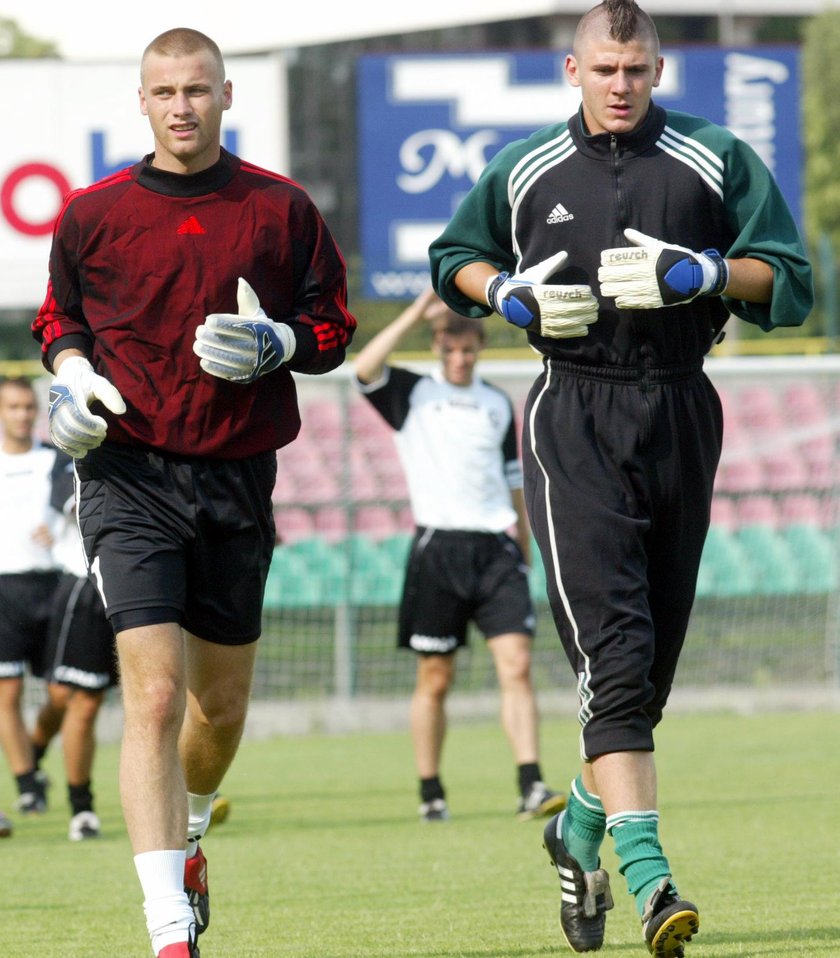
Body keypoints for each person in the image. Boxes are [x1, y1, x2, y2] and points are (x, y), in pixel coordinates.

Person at [429, 1, 813, 954]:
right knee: (617, 654)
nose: (620, 85)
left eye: (635, 71)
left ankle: (578, 828)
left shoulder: (715, 157)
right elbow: (454, 259)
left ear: (658, 68)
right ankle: (651, 883)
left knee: (644, 686)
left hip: (683, 410)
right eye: (604, 70)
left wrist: (704, 275)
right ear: (572, 69)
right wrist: (508, 291)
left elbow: (795, 279)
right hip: (573, 413)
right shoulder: (525, 168)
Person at [32, 27, 355, 958]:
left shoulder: (281, 209)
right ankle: (168, 926)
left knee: (218, 715)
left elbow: (332, 321)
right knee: (158, 697)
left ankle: (194, 833)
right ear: (142, 101)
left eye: (199, 89)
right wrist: (73, 383)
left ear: (224, 97)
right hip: (126, 475)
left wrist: (282, 345)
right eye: (165, 91)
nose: (183, 105)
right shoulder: (92, 212)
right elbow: (62, 320)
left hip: (238, 477)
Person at [354, 288, 567, 824]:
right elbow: (364, 367)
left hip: (496, 549)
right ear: (436, 347)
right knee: (435, 678)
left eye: (468, 349)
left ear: (478, 348)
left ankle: (531, 784)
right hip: (438, 548)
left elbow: (514, 478)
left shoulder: (496, 402)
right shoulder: (412, 394)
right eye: (450, 348)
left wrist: (523, 541)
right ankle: (431, 790)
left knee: (516, 666)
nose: (460, 358)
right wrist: (412, 313)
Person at [28, 449, 119, 842]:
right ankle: (32, 754)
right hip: (83, 589)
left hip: (139, 586)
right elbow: (69, 500)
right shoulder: (73, 454)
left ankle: (82, 809)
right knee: (64, 697)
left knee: (89, 702)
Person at [0, 377, 58, 819]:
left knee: (65, 695)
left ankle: (34, 756)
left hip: (53, 584)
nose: (22, 414)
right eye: (13, 407)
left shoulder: (56, 461)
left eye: (27, 407)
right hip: (4, 588)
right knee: (8, 691)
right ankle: (27, 787)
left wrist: (57, 528)